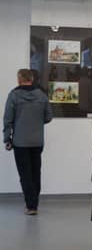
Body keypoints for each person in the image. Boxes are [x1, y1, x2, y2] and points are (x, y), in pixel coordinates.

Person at [3, 68, 53, 215]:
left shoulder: (14, 95)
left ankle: (30, 206)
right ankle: (34, 204)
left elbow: (8, 119)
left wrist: (7, 138)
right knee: (36, 172)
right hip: (37, 141)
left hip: (20, 142)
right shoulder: (42, 95)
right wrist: (36, 122)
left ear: (19, 79)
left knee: (25, 174)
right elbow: (48, 117)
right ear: (31, 79)